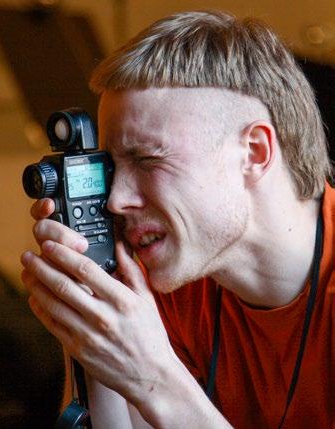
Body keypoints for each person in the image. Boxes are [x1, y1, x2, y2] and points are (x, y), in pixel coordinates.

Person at [20, 10, 335, 428]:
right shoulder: (170, 281)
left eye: (147, 160)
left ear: (254, 153)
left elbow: (155, 385)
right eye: (112, 168)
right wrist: (90, 318)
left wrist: (156, 380)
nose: (115, 200)